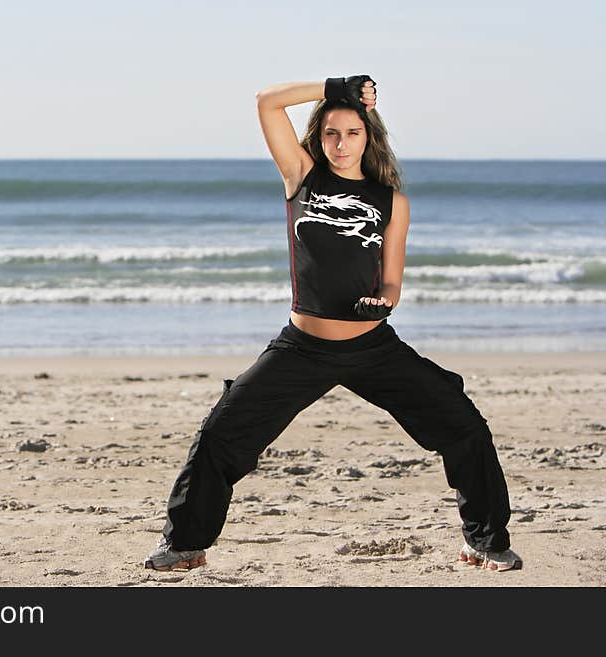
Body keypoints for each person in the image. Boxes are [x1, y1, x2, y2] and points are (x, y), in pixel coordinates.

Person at [143, 75, 522, 574]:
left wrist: (381, 305)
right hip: (301, 348)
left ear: (371, 139)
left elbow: (391, 283)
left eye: (353, 133)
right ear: (317, 140)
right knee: (220, 434)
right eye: (331, 134)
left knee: (465, 426)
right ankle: (186, 545)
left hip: (373, 348)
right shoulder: (301, 178)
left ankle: (486, 542)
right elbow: (267, 101)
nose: (341, 144)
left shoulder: (393, 202)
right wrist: (333, 85)